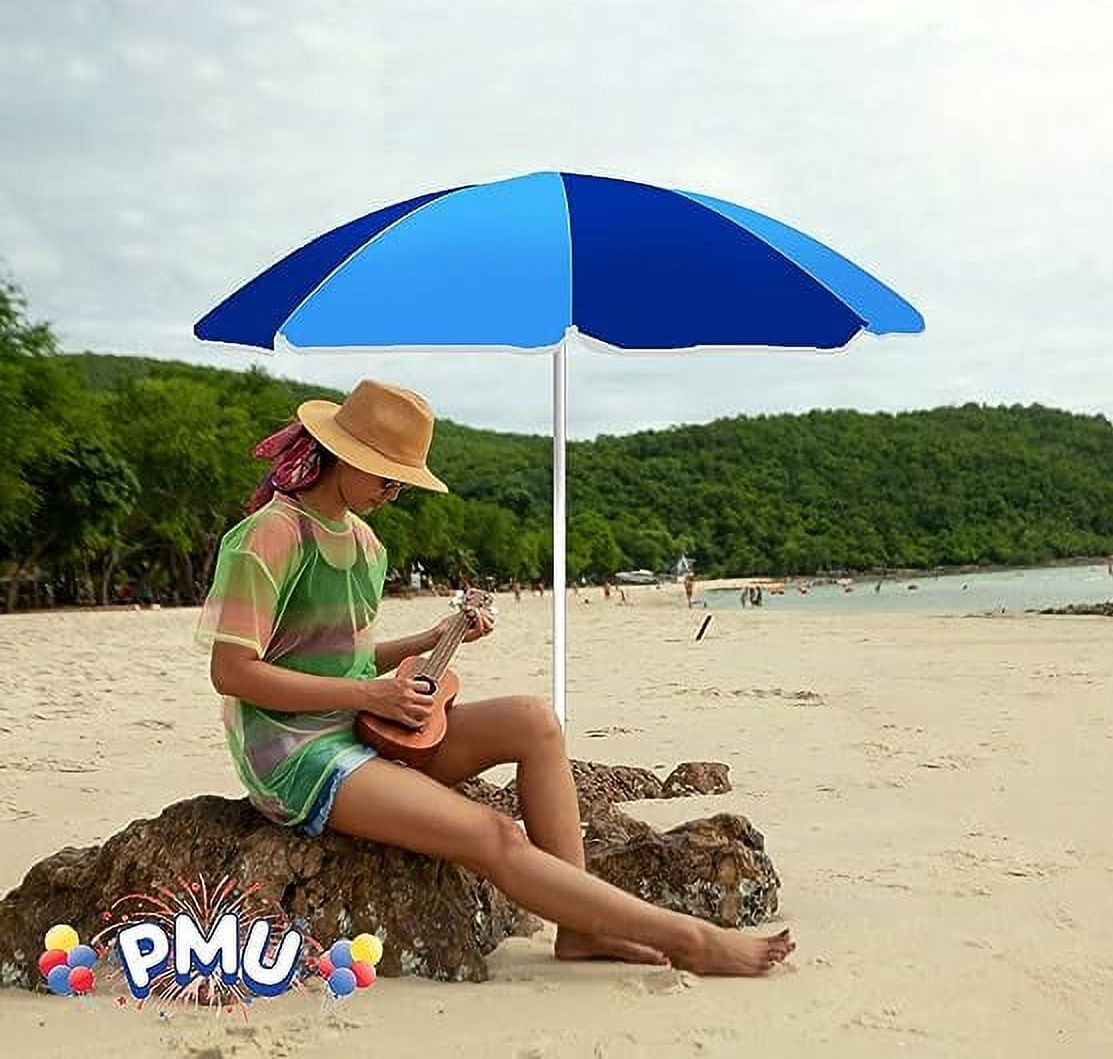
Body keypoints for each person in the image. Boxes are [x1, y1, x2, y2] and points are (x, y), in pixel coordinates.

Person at [197, 379, 792, 977]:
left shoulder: (367, 545)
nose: (393, 492)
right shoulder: (271, 535)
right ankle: (691, 939)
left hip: (364, 727)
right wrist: (369, 693)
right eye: (386, 477)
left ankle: (581, 930)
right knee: (495, 833)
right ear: (344, 455)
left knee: (535, 720)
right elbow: (233, 671)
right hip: (296, 752)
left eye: (401, 482)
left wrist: (431, 640)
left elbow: (340, 659)